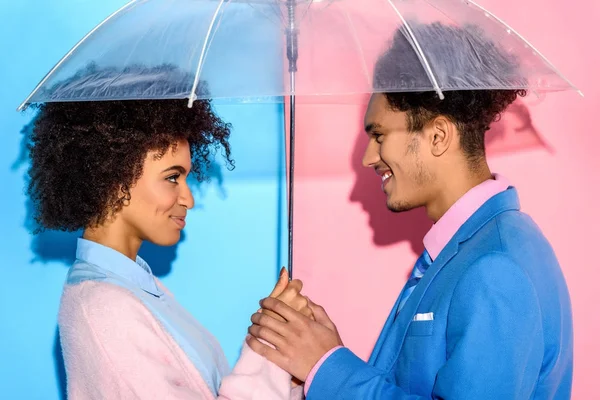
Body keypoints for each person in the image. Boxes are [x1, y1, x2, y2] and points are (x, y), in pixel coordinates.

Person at [246, 23, 574, 399]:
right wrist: (322, 353)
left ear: (438, 136)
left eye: (379, 135)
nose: (368, 157)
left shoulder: (496, 267)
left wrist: (327, 366)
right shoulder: (465, 252)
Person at [26, 98, 307, 399]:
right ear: (116, 180)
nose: (189, 199)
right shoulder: (104, 307)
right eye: (172, 177)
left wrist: (284, 379)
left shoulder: (136, 288)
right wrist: (267, 348)